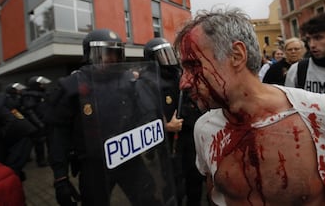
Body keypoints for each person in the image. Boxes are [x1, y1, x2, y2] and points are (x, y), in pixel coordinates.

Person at [173, 7, 325, 205]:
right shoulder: (205, 129)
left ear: (236, 55)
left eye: (193, 66)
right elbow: (215, 193)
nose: (183, 82)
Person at [48, 29, 176, 206]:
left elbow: (145, 111)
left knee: (149, 198)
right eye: (104, 54)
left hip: (128, 156)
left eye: (115, 54)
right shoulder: (71, 86)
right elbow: (57, 132)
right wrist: (60, 176)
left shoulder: (129, 81)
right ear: (88, 55)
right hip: (94, 165)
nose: (111, 60)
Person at [142, 37, 204, 205]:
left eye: (169, 54)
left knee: (195, 177)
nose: (168, 59)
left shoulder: (179, 76)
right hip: (168, 142)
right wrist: (165, 127)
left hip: (189, 136)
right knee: (174, 183)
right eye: (162, 55)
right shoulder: (146, 82)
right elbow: (144, 116)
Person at [0, 81, 35, 181]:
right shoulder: (1, 99)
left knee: (12, 169)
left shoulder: (1, 99)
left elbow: (15, 115)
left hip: (17, 134)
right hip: (6, 137)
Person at [21, 76, 52, 167]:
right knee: (39, 143)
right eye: (41, 84)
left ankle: (51, 158)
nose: (43, 85)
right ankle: (41, 161)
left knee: (50, 141)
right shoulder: (30, 95)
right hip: (38, 123)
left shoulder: (43, 93)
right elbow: (30, 111)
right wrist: (39, 123)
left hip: (47, 121)